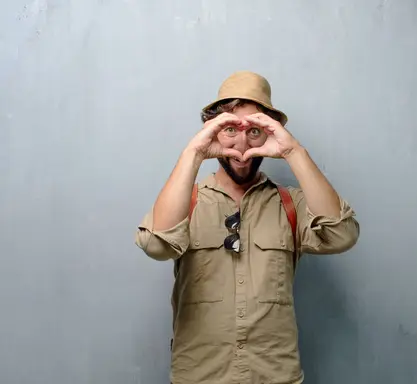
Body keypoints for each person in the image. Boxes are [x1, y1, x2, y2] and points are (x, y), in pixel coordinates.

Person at [134, 70, 360, 384]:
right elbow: (156, 246)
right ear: (212, 131)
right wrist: (194, 153)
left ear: (270, 133)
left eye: (254, 131)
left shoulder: (290, 204)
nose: (241, 145)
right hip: (199, 377)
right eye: (230, 129)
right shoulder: (186, 200)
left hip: (275, 377)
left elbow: (342, 234)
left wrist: (293, 152)